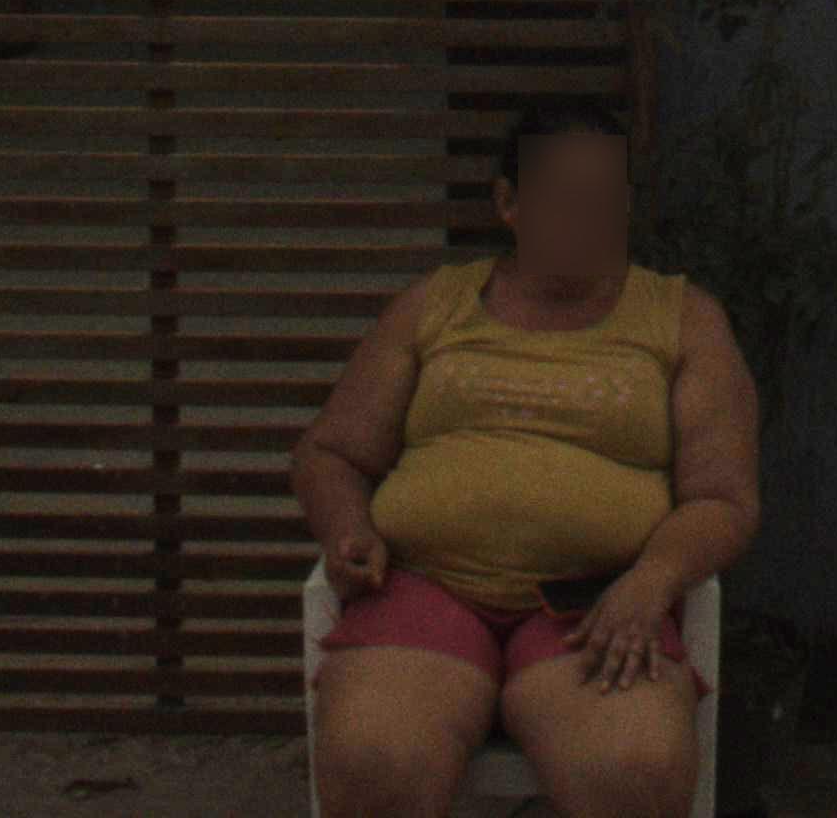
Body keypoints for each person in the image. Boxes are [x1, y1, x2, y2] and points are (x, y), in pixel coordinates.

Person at [295, 100, 763, 818]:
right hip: (427, 587)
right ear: (509, 203)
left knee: (635, 773)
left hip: (597, 602)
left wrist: (654, 579)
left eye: (604, 202)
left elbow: (723, 498)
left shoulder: (684, 320)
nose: (587, 221)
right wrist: (346, 528)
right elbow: (331, 452)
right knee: (374, 764)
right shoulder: (434, 306)